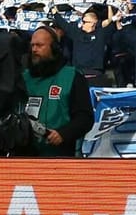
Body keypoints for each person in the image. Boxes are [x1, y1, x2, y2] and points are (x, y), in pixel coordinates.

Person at [22, 25, 93, 157]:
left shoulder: (72, 76)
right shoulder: (23, 78)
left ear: (54, 48)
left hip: (60, 154)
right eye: (32, 46)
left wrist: (64, 133)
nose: (34, 50)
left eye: (39, 45)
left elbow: (85, 117)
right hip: (26, 154)